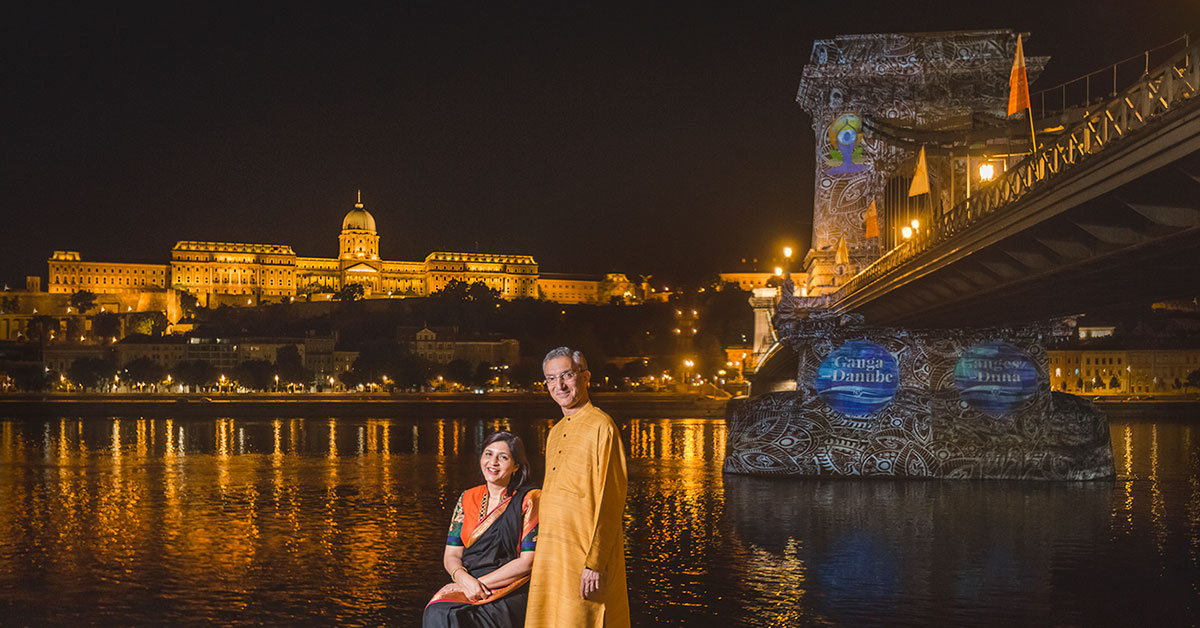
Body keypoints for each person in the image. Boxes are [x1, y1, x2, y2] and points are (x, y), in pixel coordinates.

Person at [525, 347, 630, 627]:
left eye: (567, 375)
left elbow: (611, 499)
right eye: (551, 379)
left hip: (584, 558)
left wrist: (594, 562)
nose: (559, 385)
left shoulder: (602, 427)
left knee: (583, 618)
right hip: (552, 555)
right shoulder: (555, 432)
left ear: (585, 377)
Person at [424, 431, 540, 628]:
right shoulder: (467, 498)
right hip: (468, 583)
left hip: (510, 586)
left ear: (516, 466)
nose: (493, 462)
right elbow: (451, 555)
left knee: (460, 615)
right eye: (488, 454)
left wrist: (477, 584)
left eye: (502, 457)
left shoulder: (530, 499)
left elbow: (527, 562)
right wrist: (463, 579)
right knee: (438, 611)